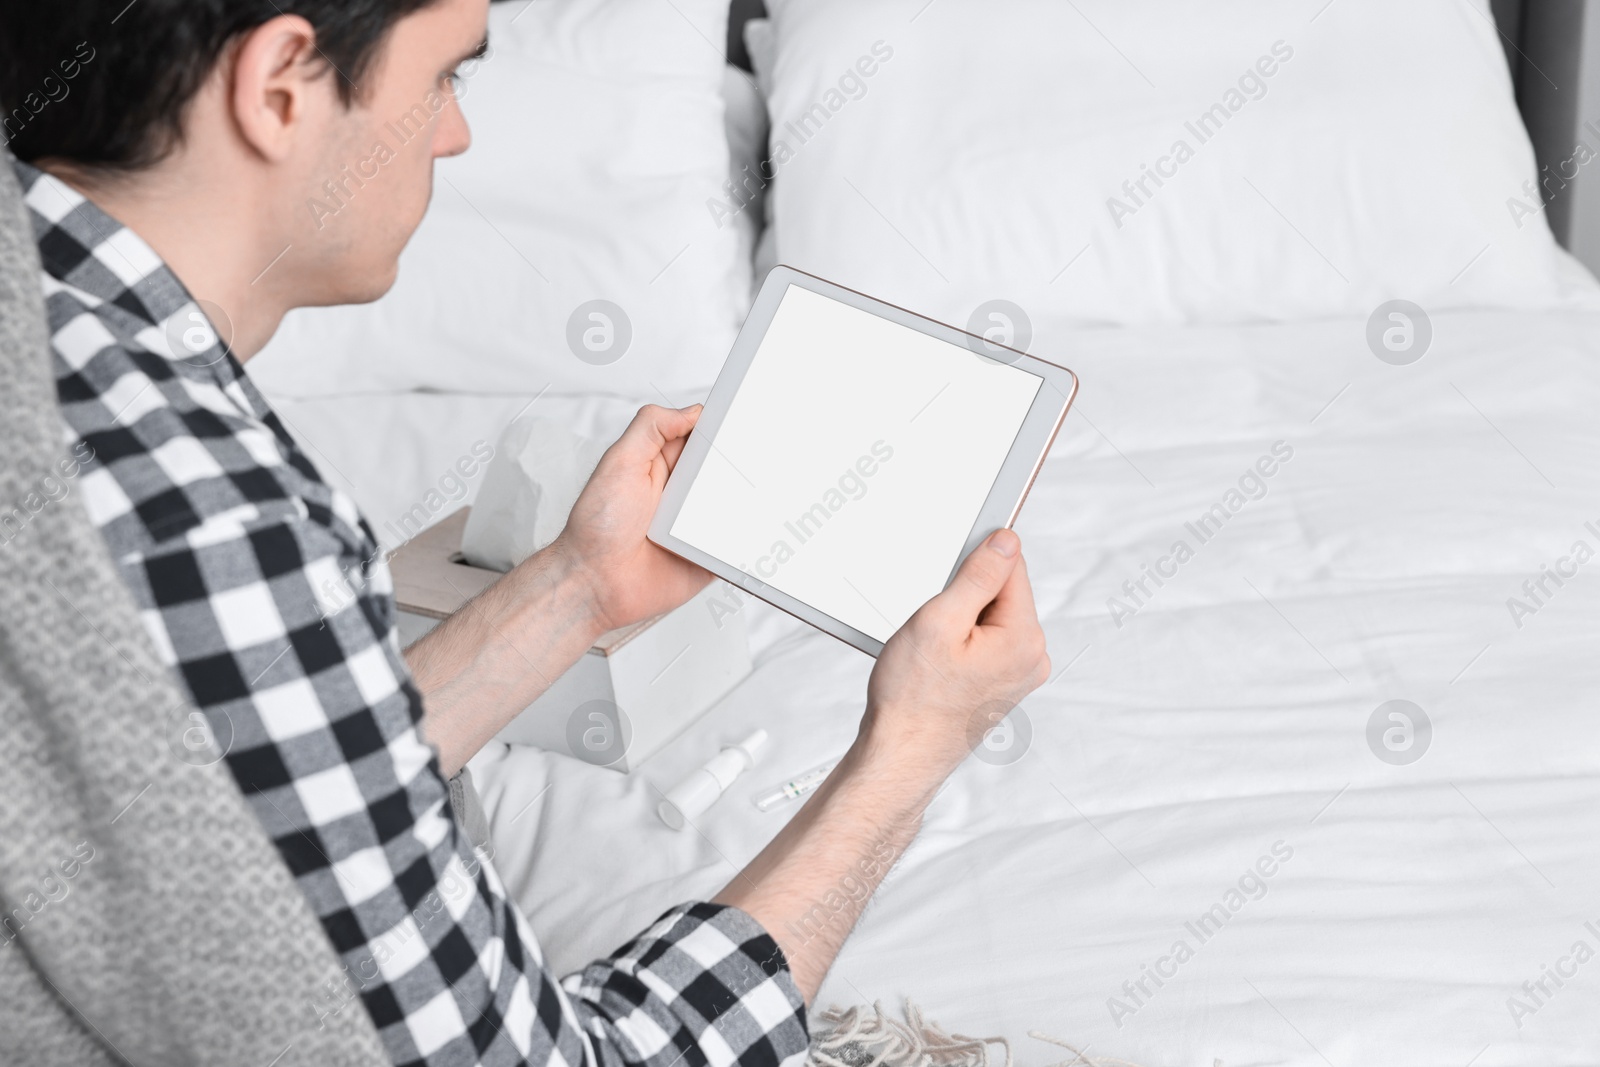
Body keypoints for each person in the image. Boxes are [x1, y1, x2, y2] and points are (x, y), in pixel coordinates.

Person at [0, 1, 1051, 1064]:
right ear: (279, 86)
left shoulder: (59, 333)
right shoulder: (206, 520)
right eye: (447, 76)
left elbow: (231, 792)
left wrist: (579, 587)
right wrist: (915, 746)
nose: (455, 133)